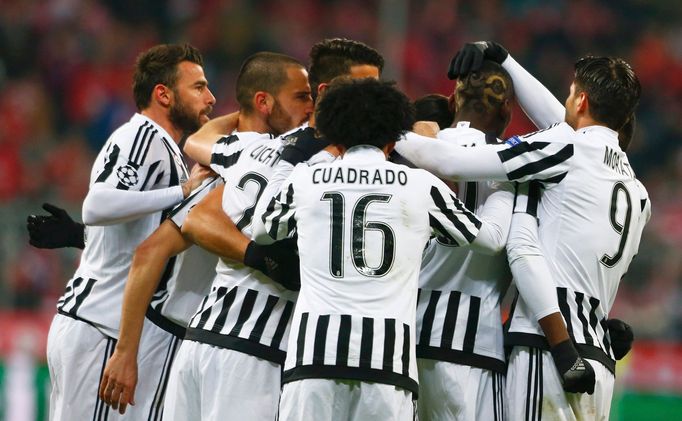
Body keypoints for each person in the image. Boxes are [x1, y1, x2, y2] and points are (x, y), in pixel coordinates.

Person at [398, 41, 649, 420]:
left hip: (547, 345)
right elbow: (565, 126)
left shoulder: (566, 148)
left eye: (570, 94)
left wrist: (383, 128)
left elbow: (451, 160)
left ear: (580, 101)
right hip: (599, 351)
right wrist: (503, 58)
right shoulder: (638, 192)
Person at [252, 77, 516, 420]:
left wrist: (299, 163)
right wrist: (506, 181)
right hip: (387, 365)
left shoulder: (306, 179)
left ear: (336, 132)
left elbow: (261, 229)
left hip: (314, 358)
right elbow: (491, 239)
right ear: (394, 137)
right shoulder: (421, 185)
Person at [170, 38, 385, 420]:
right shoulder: (336, 172)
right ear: (328, 93)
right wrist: (268, 260)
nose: (376, 101)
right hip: (255, 354)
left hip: (201, 341)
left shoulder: (255, 147)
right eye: (366, 90)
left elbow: (199, 209)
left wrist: (237, 115)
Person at [46, 43, 215, 421]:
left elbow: (126, 236)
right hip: (99, 328)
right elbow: (97, 205)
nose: (210, 97)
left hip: (93, 325)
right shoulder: (145, 137)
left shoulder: (163, 147)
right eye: (198, 87)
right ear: (163, 94)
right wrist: (182, 192)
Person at [414, 60, 516, 421]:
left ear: (453, 102)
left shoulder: (410, 149)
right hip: (472, 343)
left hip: (406, 339)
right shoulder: (516, 163)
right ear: (506, 108)